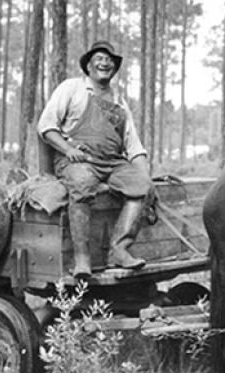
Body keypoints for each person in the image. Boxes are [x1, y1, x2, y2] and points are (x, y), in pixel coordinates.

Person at [37, 41, 152, 278]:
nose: (105, 62)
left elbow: (134, 147)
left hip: (112, 162)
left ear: (114, 68)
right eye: (99, 58)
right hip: (76, 160)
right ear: (88, 66)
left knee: (142, 187)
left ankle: (119, 249)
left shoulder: (120, 102)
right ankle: (81, 258)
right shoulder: (72, 88)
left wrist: (147, 181)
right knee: (82, 182)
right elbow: (46, 126)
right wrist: (67, 149)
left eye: (110, 60)